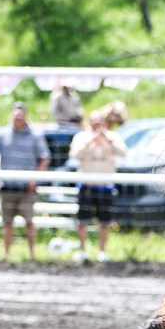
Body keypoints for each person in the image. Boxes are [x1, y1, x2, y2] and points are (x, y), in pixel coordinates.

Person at [0, 102, 50, 261]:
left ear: (25, 116)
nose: (18, 118)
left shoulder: (34, 136)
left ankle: (32, 255)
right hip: (8, 186)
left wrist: (34, 179)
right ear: (11, 116)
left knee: (29, 222)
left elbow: (44, 158)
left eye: (20, 115)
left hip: (26, 188)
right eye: (15, 115)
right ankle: (6, 255)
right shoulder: (3, 134)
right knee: (7, 222)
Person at [68, 109, 127, 262]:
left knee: (104, 221)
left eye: (99, 121)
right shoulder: (81, 137)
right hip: (86, 185)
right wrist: (90, 141)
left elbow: (123, 152)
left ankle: (102, 252)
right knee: (82, 220)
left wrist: (108, 141)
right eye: (94, 121)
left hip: (105, 185)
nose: (96, 124)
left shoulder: (113, 136)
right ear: (89, 122)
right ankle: (82, 251)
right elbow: (74, 155)